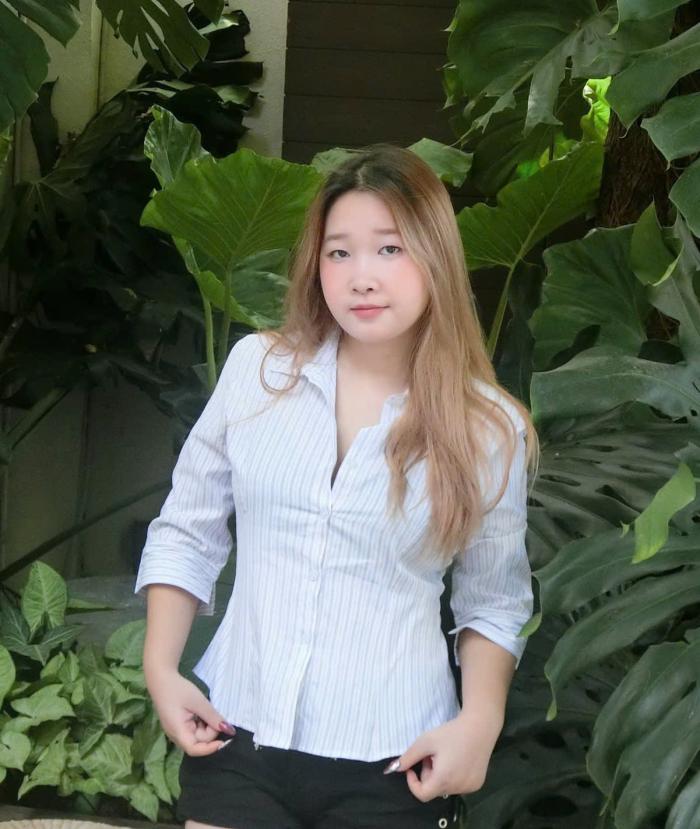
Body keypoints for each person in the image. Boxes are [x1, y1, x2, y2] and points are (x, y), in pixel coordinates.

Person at [134, 143, 540, 829]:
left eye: (389, 249)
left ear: (435, 257)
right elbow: (187, 529)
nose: (362, 277)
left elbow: (494, 601)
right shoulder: (258, 371)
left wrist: (480, 721)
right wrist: (161, 668)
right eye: (339, 252)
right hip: (238, 737)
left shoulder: (487, 426)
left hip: (394, 760)